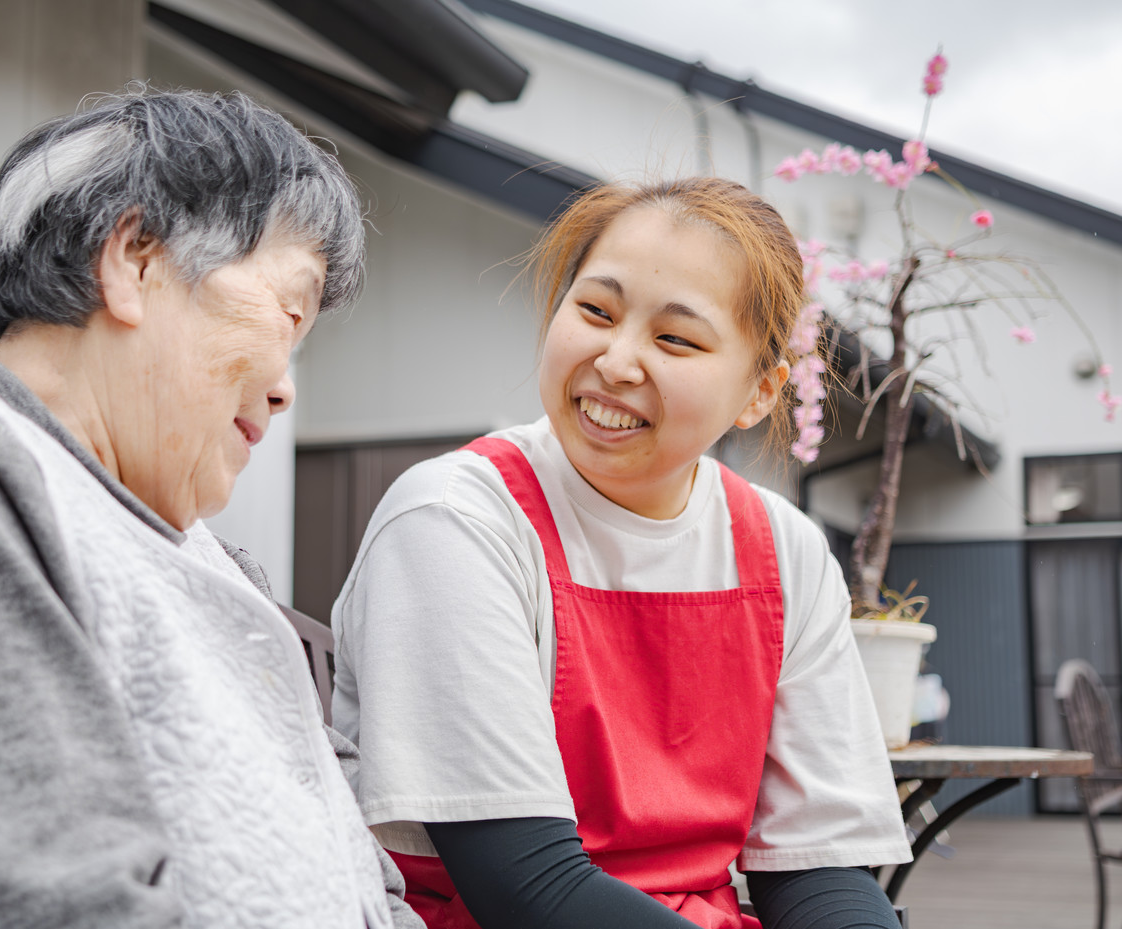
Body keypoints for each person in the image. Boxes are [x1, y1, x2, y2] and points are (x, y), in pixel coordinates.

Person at [0, 90, 421, 929]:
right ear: (135, 260)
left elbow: (370, 884)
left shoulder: (225, 568)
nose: (287, 385)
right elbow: (51, 902)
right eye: (289, 313)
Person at [331, 178, 912, 929]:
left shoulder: (783, 550)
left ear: (761, 392)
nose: (616, 360)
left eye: (675, 339)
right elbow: (523, 884)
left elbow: (816, 869)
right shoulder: (455, 519)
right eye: (595, 311)